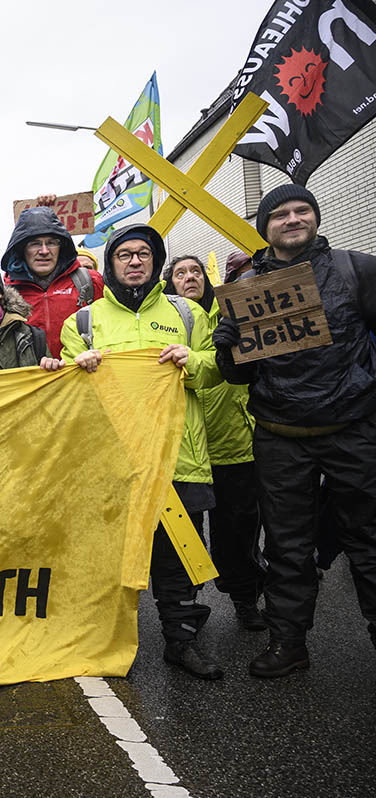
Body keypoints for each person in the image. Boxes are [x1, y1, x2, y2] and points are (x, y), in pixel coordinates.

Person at [213, 185, 376, 678]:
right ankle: (288, 644)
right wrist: (227, 346)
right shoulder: (246, 288)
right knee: (286, 546)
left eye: (301, 210)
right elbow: (237, 376)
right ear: (265, 227)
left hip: (353, 428)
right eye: (279, 214)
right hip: (280, 434)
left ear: (316, 217)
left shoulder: (357, 270)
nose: (292, 219)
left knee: (369, 539)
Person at [60, 224, 224, 680]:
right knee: (109, 559)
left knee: (177, 558)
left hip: (178, 458)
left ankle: (182, 642)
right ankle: (106, 645)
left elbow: (217, 368)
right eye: (125, 255)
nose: (135, 261)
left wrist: (192, 362)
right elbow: (69, 394)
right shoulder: (84, 323)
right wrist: (79, 371)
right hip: (114, 462)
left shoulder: (187, 313)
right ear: (111, 264)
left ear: (156, 262)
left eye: (144, 254)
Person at [164, 255, 265, 631]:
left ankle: (245, 598)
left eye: (196, 271)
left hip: (231, 444)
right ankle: (185, 608)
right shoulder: (162, 319)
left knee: (238, 531)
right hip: (184, 448)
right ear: (169, 283)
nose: (189, 277)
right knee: (184, 536)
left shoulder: (231, 310)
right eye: (180, 273)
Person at [3, 206, 104, 357]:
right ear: (21, 249)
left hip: (83, 370)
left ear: (61, 247)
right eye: (35, 243)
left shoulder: (91, 281)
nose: (44, 251)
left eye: (51, 243)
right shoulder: (5, 292)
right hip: (33, 372)